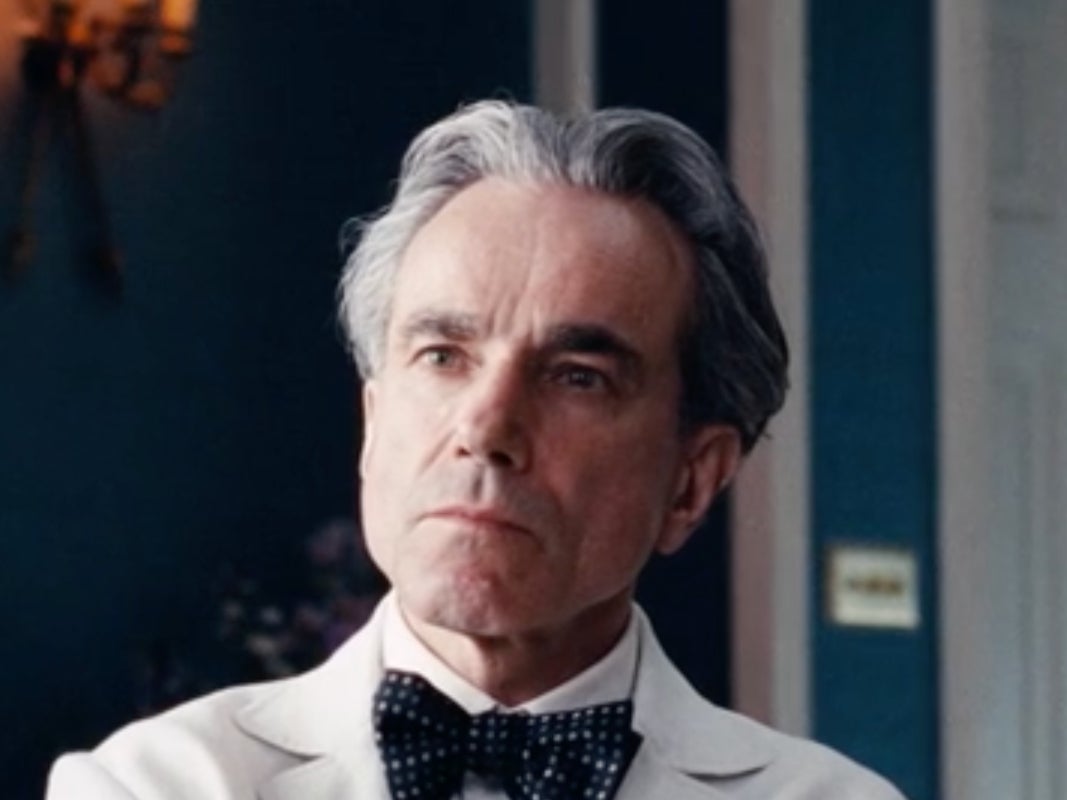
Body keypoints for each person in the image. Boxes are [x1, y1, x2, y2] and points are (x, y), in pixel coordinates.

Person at [47, 101, 905, 800]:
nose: (486, 429)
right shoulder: (154, 784)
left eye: (577, 377)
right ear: (373, 424)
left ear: (692, 480)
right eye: (442, 356)